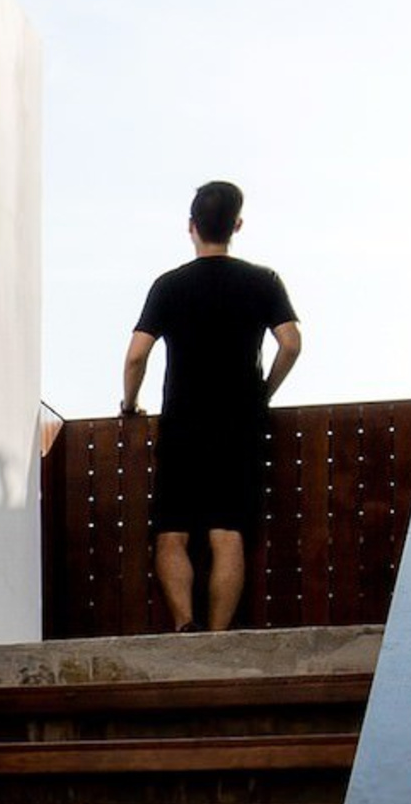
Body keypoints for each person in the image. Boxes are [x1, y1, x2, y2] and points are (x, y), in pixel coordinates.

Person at [119, 182, 302, 632]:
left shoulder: (169, 286)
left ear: (191, 226)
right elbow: (291, 344)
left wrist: (130, 403)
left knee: (172, 532)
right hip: (239, 424)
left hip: (182, 423)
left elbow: (137, 354)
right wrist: (263, 392)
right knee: (227, 531)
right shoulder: (263, 281)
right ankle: (218, 637)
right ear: (236, 225)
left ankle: (184, 626)